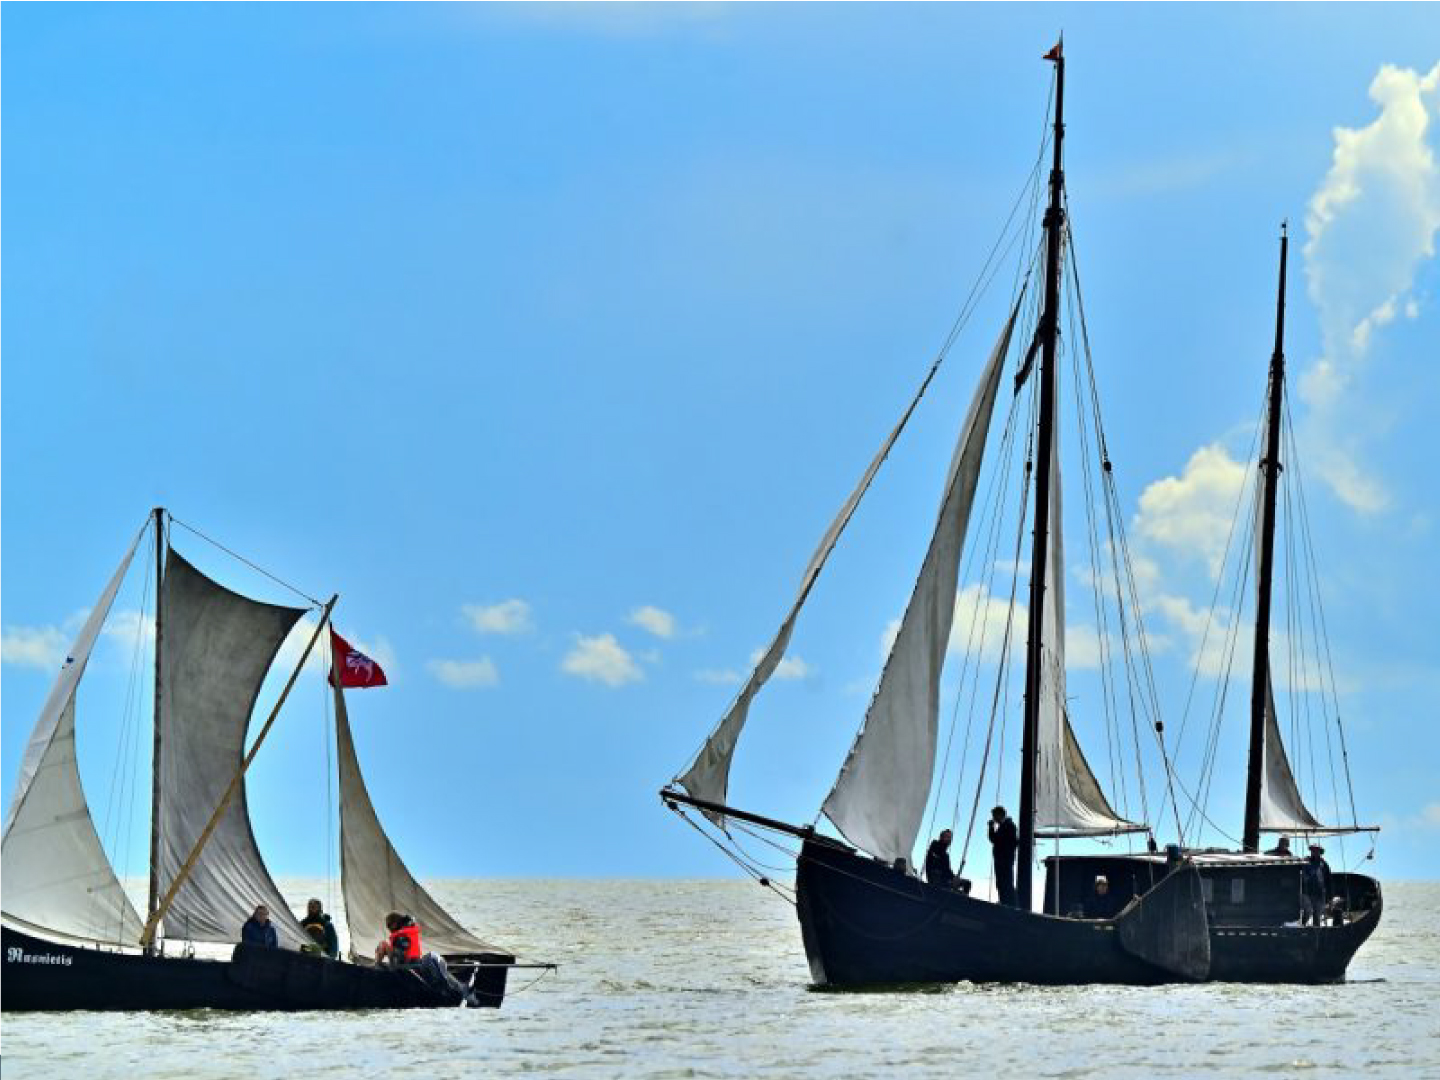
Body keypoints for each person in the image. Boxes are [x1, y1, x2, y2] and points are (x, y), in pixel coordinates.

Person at [988, 806, 1018, 907]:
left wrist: (991, 827)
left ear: (999, 815)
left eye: (994, 816)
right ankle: (1006, 903)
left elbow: (995, 839)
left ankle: (1009, 904)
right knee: (1002, 883)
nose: (993, 818)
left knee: (1005, 883)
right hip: (1003, 859)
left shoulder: (1008, 826)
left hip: (1004, 860)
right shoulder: (1005, 826)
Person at [1300, 844, 1331, 927]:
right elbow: (1302, 875)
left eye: (1317, 850)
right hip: (1307, 892)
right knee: (1308, 911)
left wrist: (1329, 895)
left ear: (1320, 852)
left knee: (1317, 914)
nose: (1314, 852)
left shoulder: (1324, 864)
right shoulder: (1305, 862)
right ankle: (1300, 927)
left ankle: (1316, 933)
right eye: (1313, 850)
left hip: (1320, 893)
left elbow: (1328, 880)